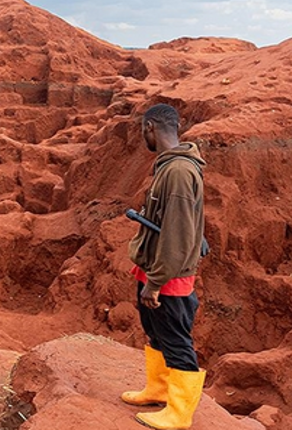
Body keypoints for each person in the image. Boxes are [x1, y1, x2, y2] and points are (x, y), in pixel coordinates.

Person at [120, 103, 206, 429]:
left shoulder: (179, 171)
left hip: (168, 276)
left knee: (175, 339)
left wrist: (155, 283)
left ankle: (180, 413)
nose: (144, 136)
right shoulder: (170, 166)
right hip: (157, 268)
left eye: (143, 131)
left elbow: (178, 233)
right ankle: (158, 390)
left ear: (150, 128)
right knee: (156, 331)